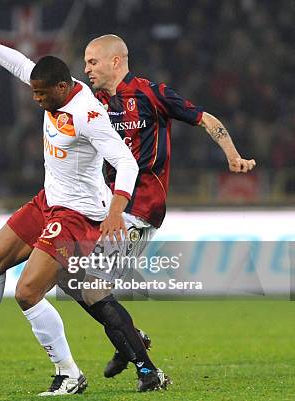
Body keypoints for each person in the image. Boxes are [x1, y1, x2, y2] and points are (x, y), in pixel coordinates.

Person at [0, 28, 140, 396]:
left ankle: (69, 374)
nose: (37, 98)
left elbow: (126, 162)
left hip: (78, 215)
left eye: (42, 93)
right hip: (48, 201)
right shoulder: (55, 86)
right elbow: (23, 65)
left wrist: (116, 211)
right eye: (35, 92)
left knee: (28, 292)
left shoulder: (88, 114)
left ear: (61, 88)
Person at [72, 34, 256, 381]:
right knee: (79, 281)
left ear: (116, 61)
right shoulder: (93, 100)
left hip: (141, 207)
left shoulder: (150, 93)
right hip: (106, 205)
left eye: (92, 61)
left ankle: (147, 370)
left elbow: (204, 118)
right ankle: (131, 340)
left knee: (90, 286)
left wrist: (232, 154)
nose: (86, 68)